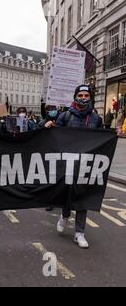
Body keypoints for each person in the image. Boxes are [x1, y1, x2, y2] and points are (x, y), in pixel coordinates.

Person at [46, 85, 102, 249]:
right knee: (68, 194)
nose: (83, 98)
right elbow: (56, 134)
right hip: (68, 163)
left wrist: (114, 134)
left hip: (86, 165)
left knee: (83, 198)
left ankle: (80, 233)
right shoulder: (65, 115)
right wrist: (50, 126)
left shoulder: (96, 119)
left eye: (86, 95)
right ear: (75, 96)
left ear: (90, 97)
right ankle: (64, 215)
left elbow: (101, 138)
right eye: (80, 95)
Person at [38, 104, 59, 212]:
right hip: (47, 153)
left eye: (54, 109)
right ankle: (49, 201)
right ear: (46, 111)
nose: (53, 111)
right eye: (50, 109)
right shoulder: (41, 123)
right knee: (49, 178)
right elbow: (37, 137)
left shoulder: (60, 121)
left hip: (59, 152)